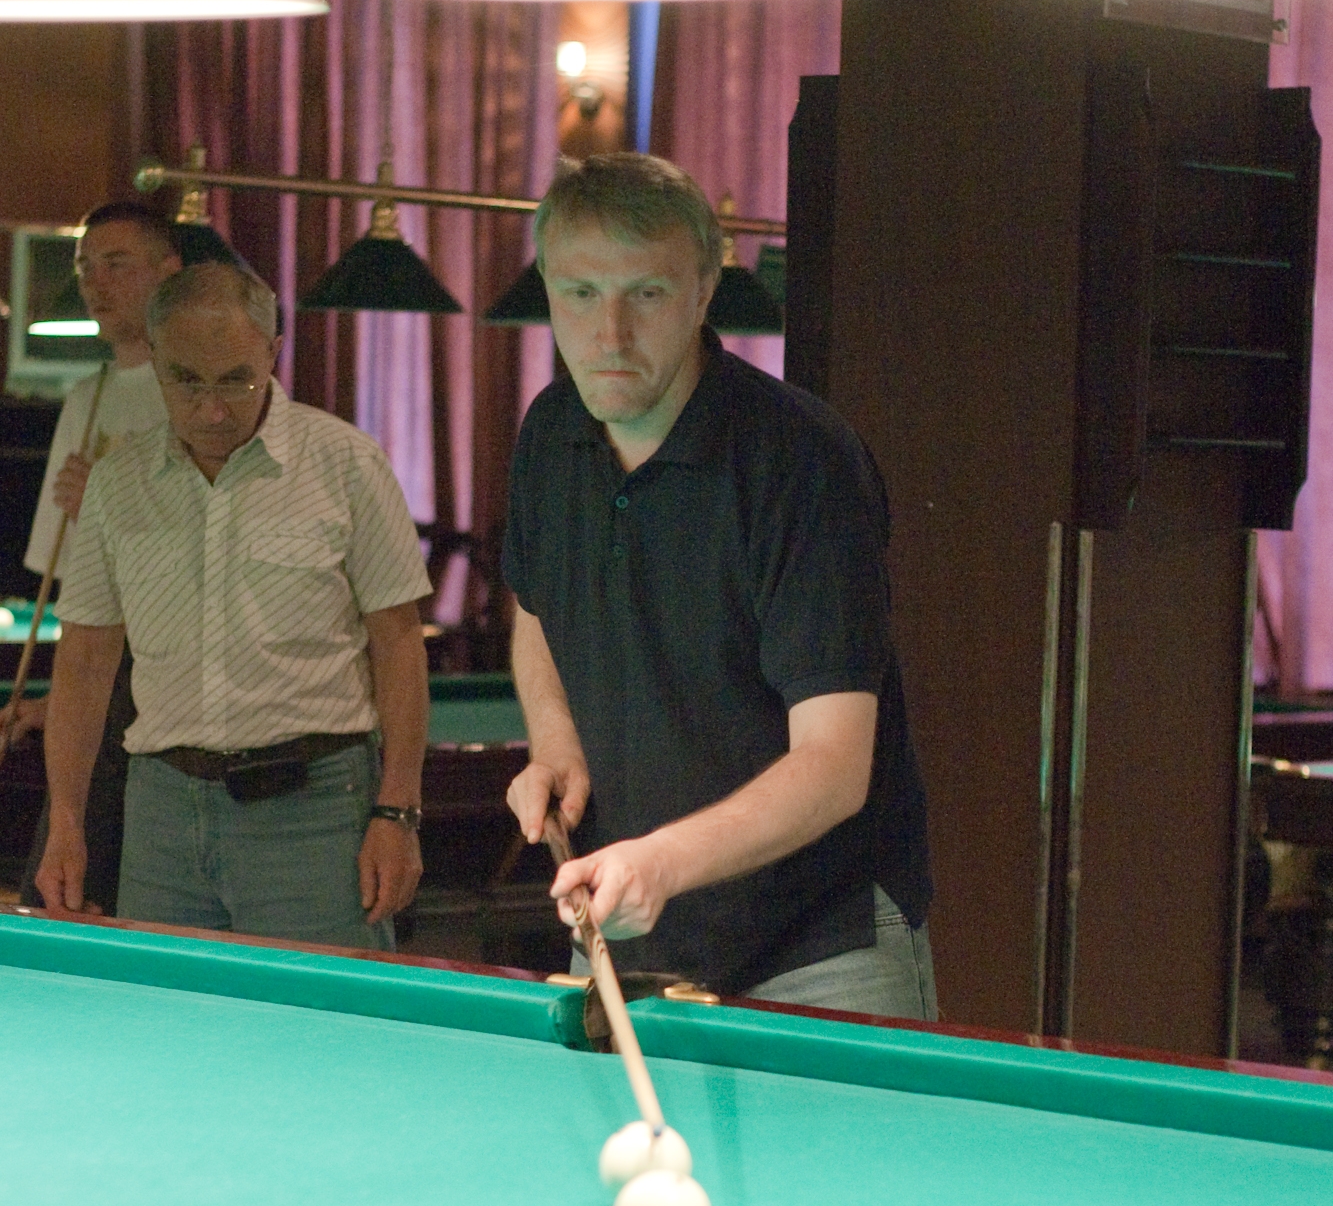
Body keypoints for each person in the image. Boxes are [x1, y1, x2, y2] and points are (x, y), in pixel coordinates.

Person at [503, 153, 936, 1016]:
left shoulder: (801, 461)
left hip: (819, 945)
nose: (609, 334)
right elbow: (535, 607)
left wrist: (662, 861)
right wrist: (556, 741)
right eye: (580, 293)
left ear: (704, 292)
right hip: (626, 927)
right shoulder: (550, 431)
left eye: (646, 294)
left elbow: (833, 766)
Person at [35, 260, 431, 950]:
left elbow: (398, 644)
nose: (212, 409)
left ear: (273, 353)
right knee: (167, 1013)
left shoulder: (346, 464)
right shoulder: (116, 484)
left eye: (235, 380)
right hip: (160, 813)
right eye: (186, 381)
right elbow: (85, 662)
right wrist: (66, 820)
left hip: (313, 809)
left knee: (317, 1014)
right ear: (154, 360)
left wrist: (397, 811)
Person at [13, 201, 183, 912]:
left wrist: (116, 506)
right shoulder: (90, 397)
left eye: (116, 264)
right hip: (102, 679)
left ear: (168, 272)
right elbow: (73, 584)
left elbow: (219, 557)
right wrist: (57, 697)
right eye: (86, 267)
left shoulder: (200, 397)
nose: (95, 283)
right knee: (60, 892)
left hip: (168, 681)